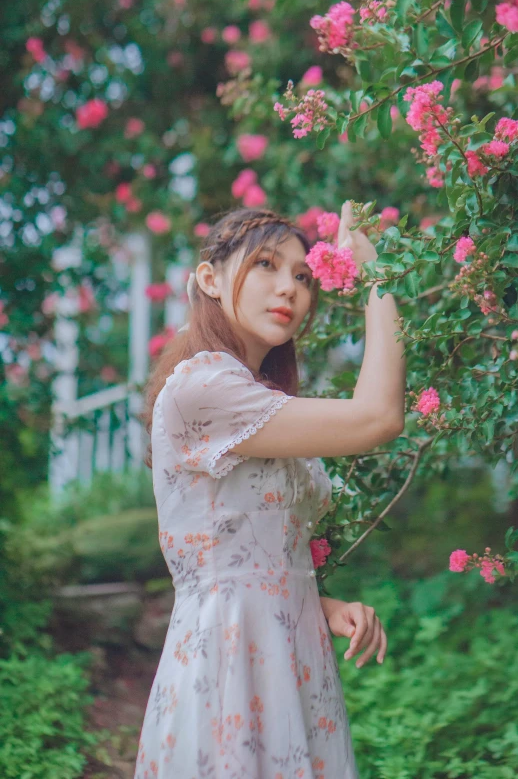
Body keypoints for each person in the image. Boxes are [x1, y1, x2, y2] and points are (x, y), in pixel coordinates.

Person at [135, 202, 406, 778]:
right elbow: (378, 417)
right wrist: (377, 274)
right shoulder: (203, 387)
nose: (289, 287)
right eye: (265, 264)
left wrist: (318, 602)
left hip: (289, 657)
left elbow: (248, 552)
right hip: (229, 664)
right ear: (209, 279)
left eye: (303, 275)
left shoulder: (254, 399)